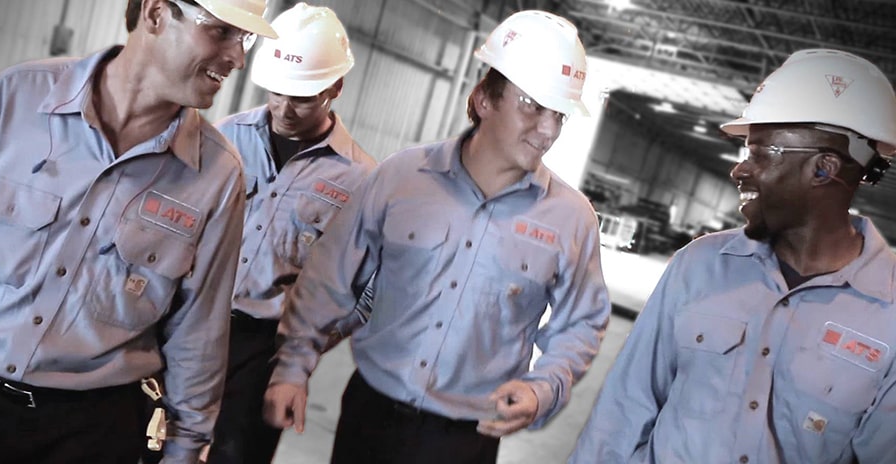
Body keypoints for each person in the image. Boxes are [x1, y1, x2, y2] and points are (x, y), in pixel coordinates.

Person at [0, 1, 277, 463]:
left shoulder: (217, 175)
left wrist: (188, 445)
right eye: (222, 31)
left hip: (97, 432)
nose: (239, 58)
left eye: (246, 40)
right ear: (157, 14)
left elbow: (199, 329)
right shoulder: (18, 98)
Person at [263, 10, 611, 464]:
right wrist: (292, 367)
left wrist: (543, 387)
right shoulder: (403, 177)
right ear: (485, 98)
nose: (547, 130)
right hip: (369, 416)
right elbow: (329, 277)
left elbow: (582, 322)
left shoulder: (570, 218)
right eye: (532, 105)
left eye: (559, 115)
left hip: (465, 440)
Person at [569, 49, 896, 464]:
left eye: (760, 153)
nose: (739, 170)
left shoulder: (889, 315)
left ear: (823, 168)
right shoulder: (699, 265)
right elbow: (622, 411)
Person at [205, 3, 376, 463]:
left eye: (301, 96)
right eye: (276, 92)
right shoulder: (222, 140)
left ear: (335, 87)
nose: (283, 108)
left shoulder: (360, 182)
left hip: (264, 352)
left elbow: (364, 292)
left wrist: (300, 351)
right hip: (193, 326)